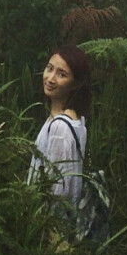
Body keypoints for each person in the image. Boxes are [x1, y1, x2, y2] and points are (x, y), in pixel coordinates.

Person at [27, 45, 92, 211]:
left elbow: (57, 189)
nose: (50, 78)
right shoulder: (75, 120)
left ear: (75, 84)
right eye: (49, 69)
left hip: (49, 226)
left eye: (62, 74)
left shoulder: (60, 128)